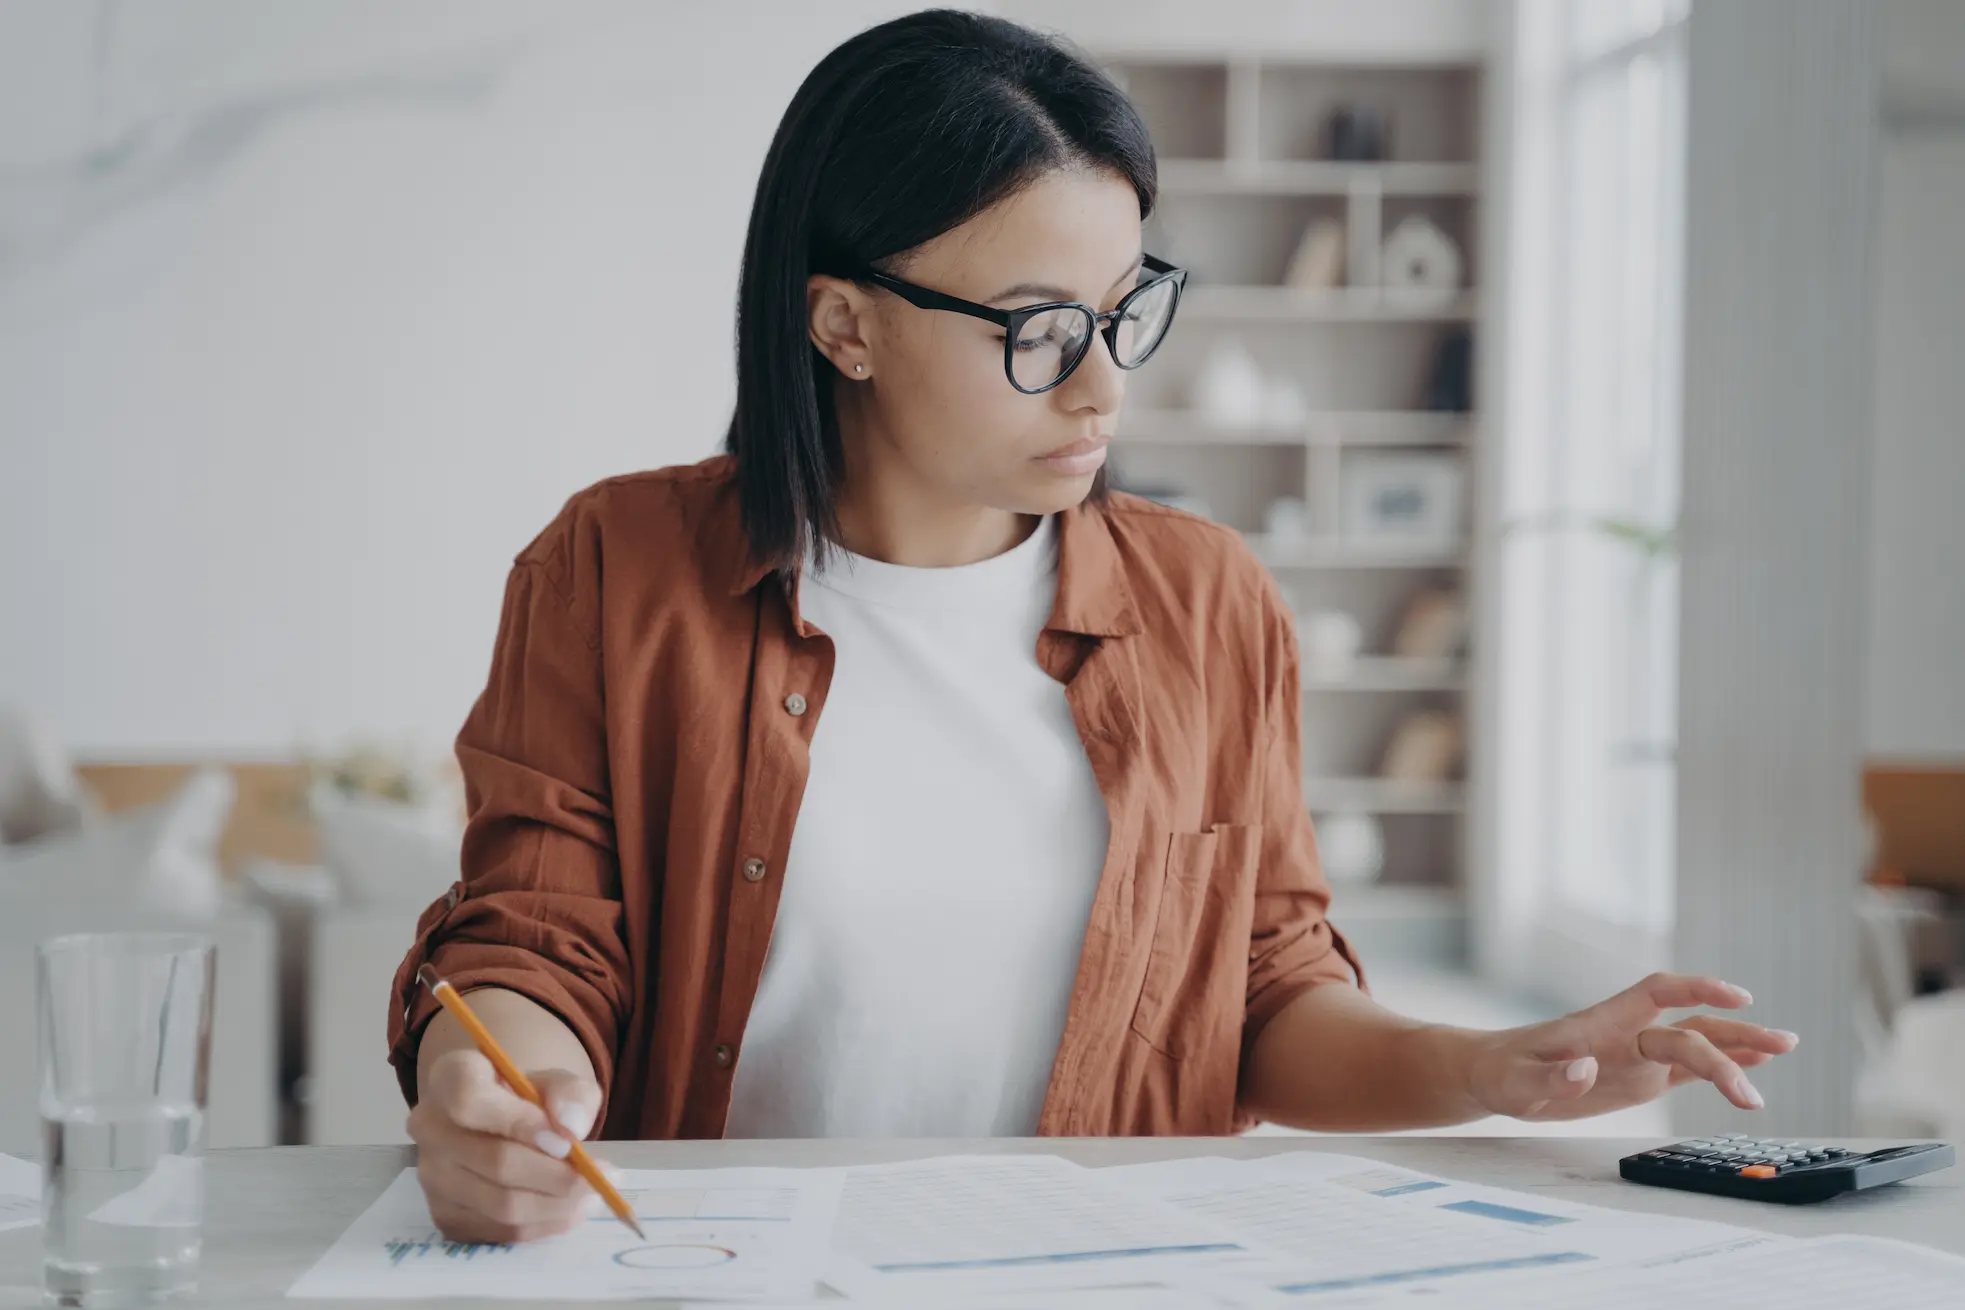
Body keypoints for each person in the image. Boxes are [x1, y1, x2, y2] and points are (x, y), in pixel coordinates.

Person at [388, 9, 1798, 1244]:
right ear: (841, 325)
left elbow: (1265, 996)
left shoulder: (1209, 602)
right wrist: (504, 1088)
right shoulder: (615, 569)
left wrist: (1491, 1068)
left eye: (1128, 312)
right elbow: (537, 940)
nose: (1103, 385)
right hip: (722, 1267)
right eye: (1040, 327)